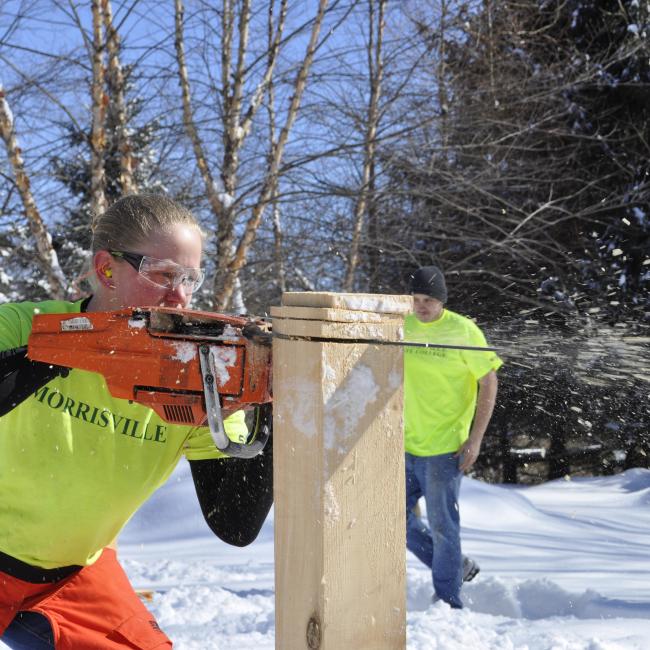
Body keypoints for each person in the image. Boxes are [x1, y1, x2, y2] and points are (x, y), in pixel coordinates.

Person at [0, 194, 273, 649]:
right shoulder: (23, 327)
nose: (180, 296)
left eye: (190, 278)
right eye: (163, 274)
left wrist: (272, 406)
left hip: (73, 578)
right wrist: (74, 352)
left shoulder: (192, 373)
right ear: (107, 269)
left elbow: (236, 524)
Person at [404, 265, 502, 609]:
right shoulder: (402, 325)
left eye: (428, 299)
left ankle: (448, 601)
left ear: (441, 299)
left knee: (444, 527)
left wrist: (476, 438)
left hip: (445, 448)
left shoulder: (464, 330)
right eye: (416, 299)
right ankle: (455, 567)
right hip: (404, 444)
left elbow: (488, 380)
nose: (421, 306)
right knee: (394, 520)